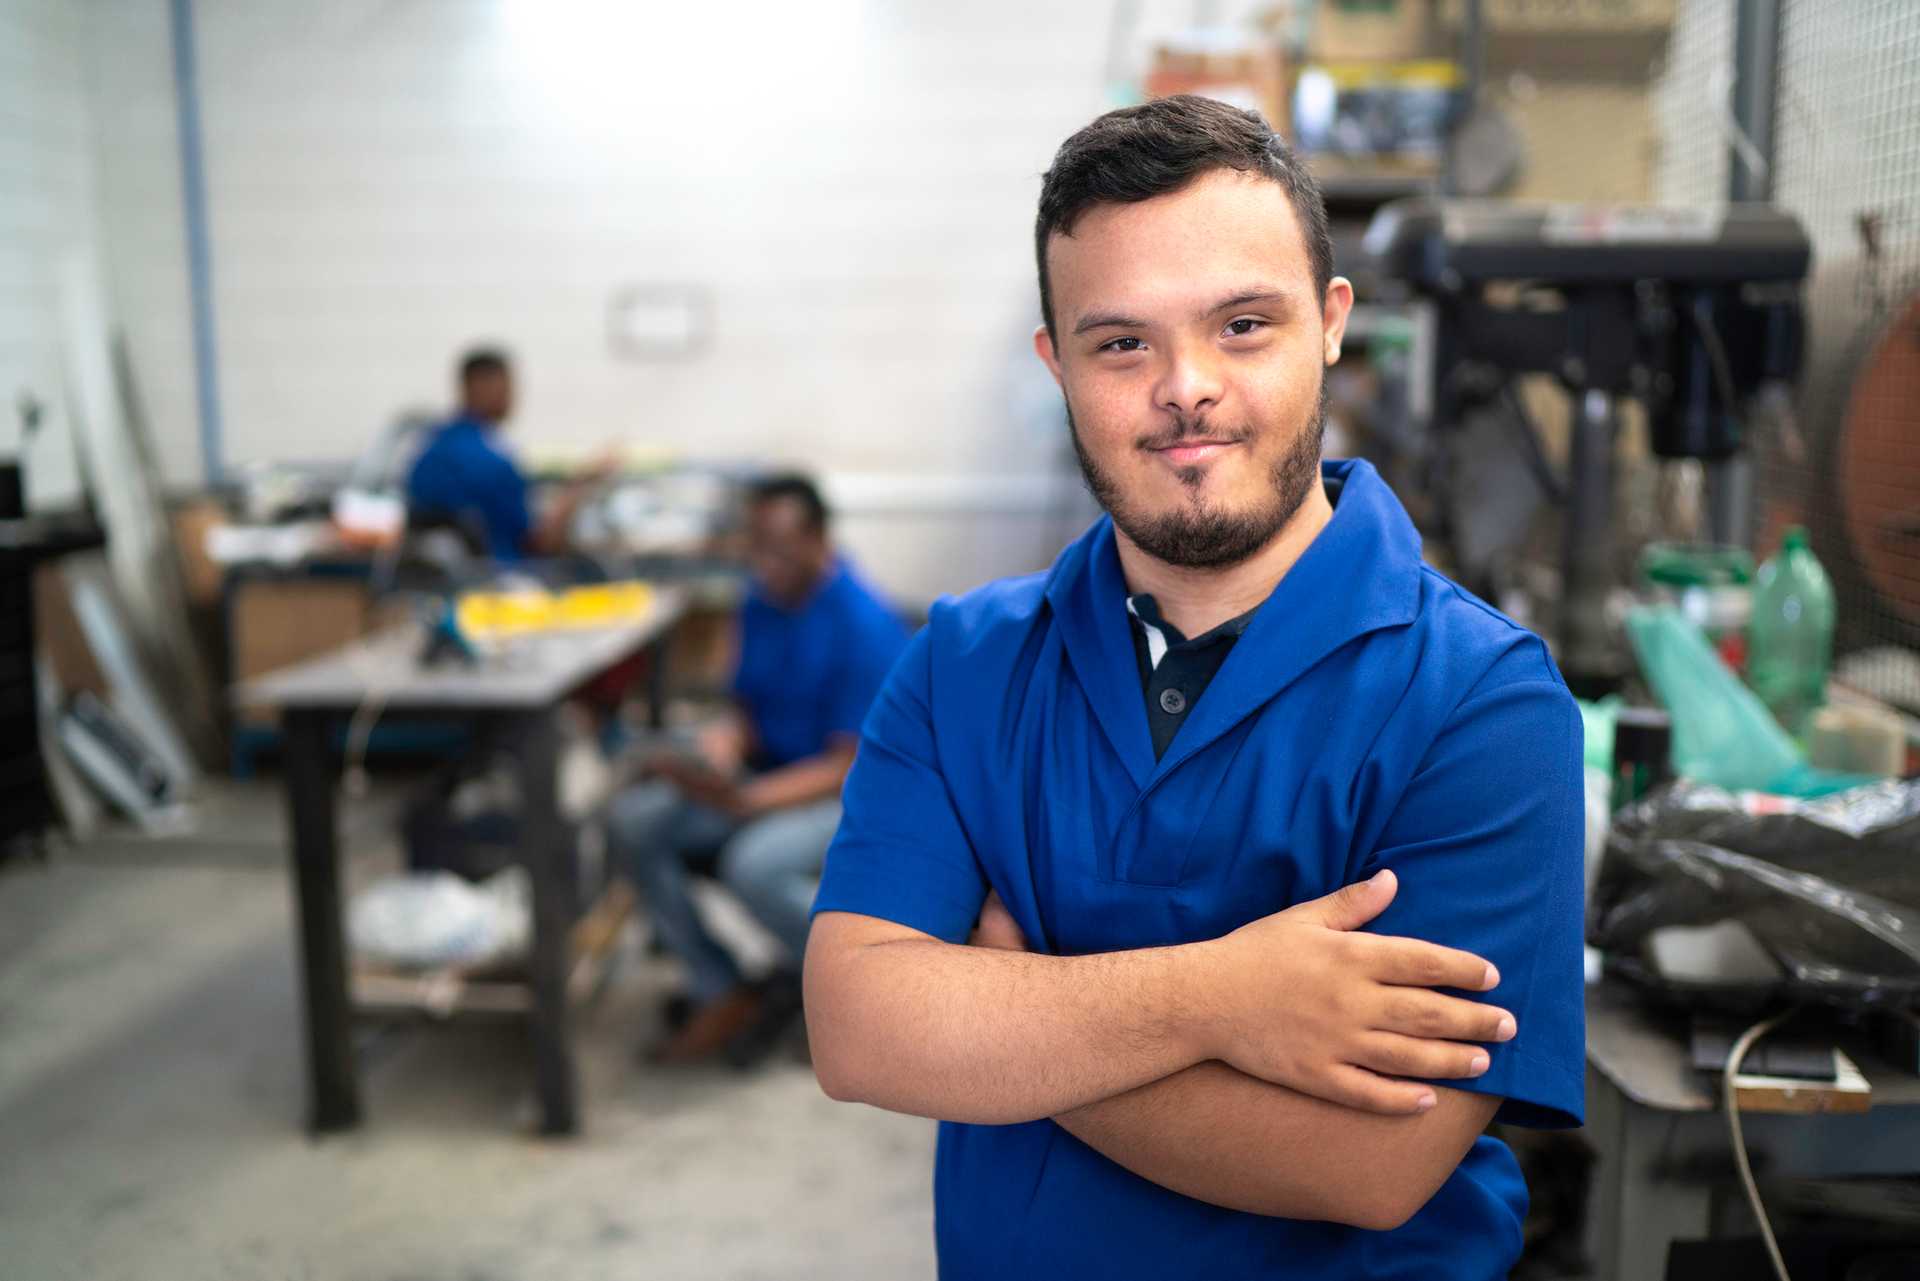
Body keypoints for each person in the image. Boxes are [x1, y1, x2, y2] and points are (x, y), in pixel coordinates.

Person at [805, 95, 1585, 1278]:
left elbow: (1371, 1167)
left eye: (1241, 325)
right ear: (1056, 362)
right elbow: (861, 1031)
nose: (1186, 387)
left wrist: (1011, 1012)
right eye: (1121, 342)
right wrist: (1223, 997)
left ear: (1330, 325)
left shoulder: (1481, 703)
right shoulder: (963, 665)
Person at [610, 474, 910, 1064]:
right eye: (755, 544)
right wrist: (721, 744)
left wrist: (750, 802)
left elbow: (845, 766)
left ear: (818, 538)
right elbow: (746, 707)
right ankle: (718, 984)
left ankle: (867, 990)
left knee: (756, 863)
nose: (763, 561)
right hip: (767, 776)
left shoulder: (864, 625)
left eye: (778, 545)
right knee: (633, 821)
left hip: (853, 797)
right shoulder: (760, 602)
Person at [405, 348, 610, 561]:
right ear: (478, 386)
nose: (512, 395)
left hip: (446, 578)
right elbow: (540, 544)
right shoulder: (492, 462)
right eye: (507, 386)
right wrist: (577, 491)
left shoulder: (429, 447)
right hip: (503, 577)